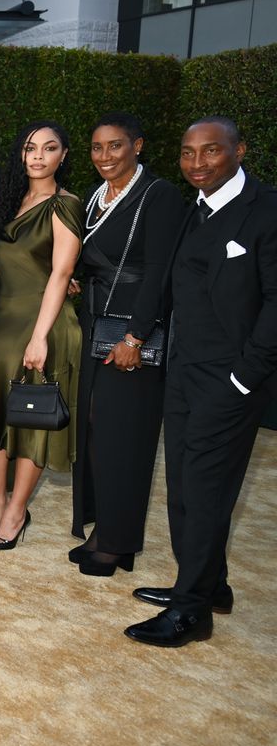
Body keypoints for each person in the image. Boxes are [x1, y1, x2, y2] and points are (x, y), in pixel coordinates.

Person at [126, 117, 277, 647]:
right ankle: (209, 584)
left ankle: (192, 611)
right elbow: (168, 281)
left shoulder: (268, 211)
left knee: (206, 490)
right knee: (184, 488)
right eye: (188, 153)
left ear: (240, 150)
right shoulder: (197, 209)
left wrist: (244, 377)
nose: (197, 163)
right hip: (184, 371)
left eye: (210, 151)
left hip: (232, 379)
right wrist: (139, 335)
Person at [0, 121, 83, 550]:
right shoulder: (11, 202)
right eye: (31, 148)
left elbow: (61, 273)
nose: (38, 156)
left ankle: (16, 512)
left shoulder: (66, 205)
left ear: (63, 156)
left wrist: (40, 337)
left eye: (49, 149)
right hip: (1, 322)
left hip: (43, 324)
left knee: (33, 419)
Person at [70, 114, 182, 576]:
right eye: (97, 148)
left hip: (133, 334)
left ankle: (117, 543)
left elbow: (160, 272)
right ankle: (107, 531)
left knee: (125, 439)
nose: (104, 156)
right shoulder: (98, 196)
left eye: (115, 146)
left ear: (138, 145)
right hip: (95, 325)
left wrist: (138, 336)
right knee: (96, 433)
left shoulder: (159, 195)